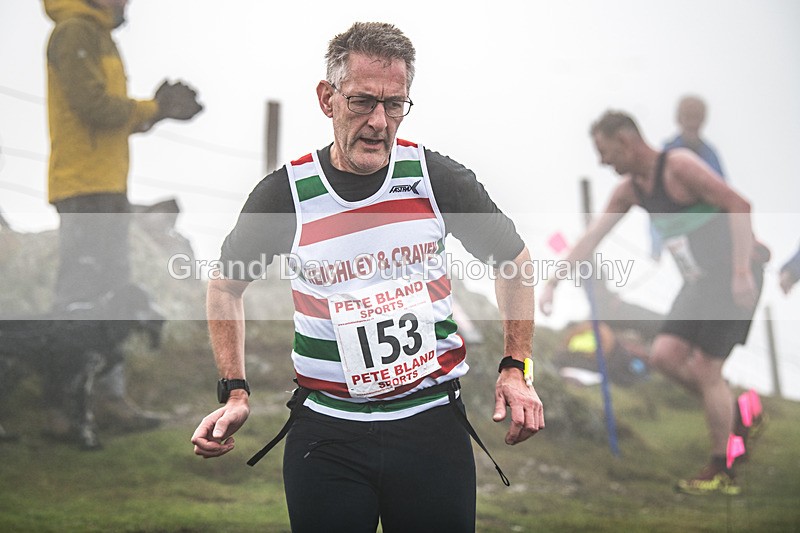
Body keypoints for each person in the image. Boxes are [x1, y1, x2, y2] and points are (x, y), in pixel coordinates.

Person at [191, 22, 544, 532]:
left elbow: (514, 261)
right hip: (326, 437)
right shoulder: (286, 194)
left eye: (394, 104)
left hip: (431, 430)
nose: (379, 121)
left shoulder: (435, 178)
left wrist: (517, 367)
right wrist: (236, 391)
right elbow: (225, 285)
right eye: (361, 102)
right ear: (327, 98)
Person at [539, 110, 766, 496]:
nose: (602, 161)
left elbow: (739, 205)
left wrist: (742, 269)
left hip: (732, 278)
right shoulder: (631, 190)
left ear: (625, 141)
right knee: (664, 356)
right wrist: (552, 283)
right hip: (697, 283)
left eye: (605, 151)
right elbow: (592, 237)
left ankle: (722, 467)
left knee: (708, 368)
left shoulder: (679, 167)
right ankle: (736, 413)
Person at [43, 0, 203, 439]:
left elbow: (111, 116)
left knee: (112, 298)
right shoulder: (75, 32)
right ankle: (61, 408)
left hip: (107, 186)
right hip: (83, 187)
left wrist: (154, 111)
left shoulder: (99, 35)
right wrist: (153, 107)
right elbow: (93, 107)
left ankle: (107, 401)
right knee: (77, 301)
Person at [649, 95, 726, 260]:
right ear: (678, 119)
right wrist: (656, 245)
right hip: (676, 234)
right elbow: (655, 200)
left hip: (709, 234)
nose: (692, 122)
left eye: (697, 117)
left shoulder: (710, 155)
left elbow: (727, 196)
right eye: (688, 116)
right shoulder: (667, 153)